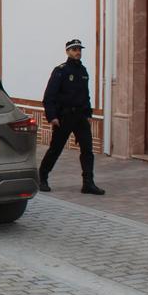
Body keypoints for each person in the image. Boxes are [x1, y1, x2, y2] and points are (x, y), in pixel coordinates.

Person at [39, 39, 104, 195]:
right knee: (55, 149)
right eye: (74, 49)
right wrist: (52, 116)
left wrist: (88, 114)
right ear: (67, 51)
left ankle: (88, 183)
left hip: (80, 116)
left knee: (87, 150)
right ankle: (42, 178)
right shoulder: (60, 71)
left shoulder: (83, 71)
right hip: (64, 117)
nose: (78, 52)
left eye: (79, 49)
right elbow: (49, 96)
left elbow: (86, 95)